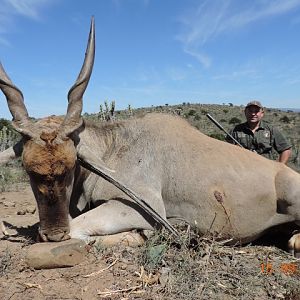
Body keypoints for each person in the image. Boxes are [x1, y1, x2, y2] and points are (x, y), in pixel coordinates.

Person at [226, 100, 292, 164]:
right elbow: (227, 150)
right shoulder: (235, 130)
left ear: (262, 114)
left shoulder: (271, 130)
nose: (253, 114)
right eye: (250, 111)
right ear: (245, 112)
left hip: (266, 168)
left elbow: (286, 149)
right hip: (242, 168)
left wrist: (280, 167)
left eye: (256, 111)